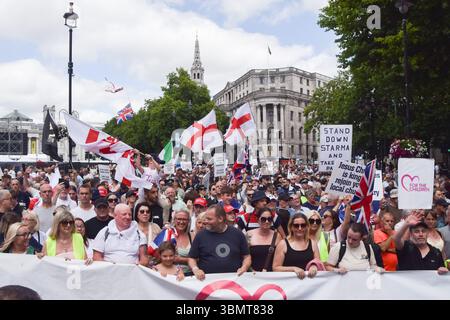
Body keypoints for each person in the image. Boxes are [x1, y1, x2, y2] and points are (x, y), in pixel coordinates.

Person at [188, 205, 251, 280]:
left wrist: (244, 268)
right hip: (207, 284)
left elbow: (247, 256)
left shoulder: (237, 233)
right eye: (206, 218)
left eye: (209, 219)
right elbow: (191, 258)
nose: (205, 221)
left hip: (233, 283)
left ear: (220, 219)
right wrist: (196, 269)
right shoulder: (200, 236)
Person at [273, 213, 320, 279]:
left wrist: (314, 266)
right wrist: (293, 269)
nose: (300, 228)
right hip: (289, 284)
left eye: (303, 225)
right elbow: (276, 268)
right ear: (291, 227)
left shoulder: (313, 243)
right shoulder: (283, 244)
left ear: (307, 227)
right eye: (296, 225)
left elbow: (318, 262)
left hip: (310, 284)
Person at [247, 207, 281, 272]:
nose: (267, 221)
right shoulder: (249, 235)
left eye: (269, 219)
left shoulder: (277, 236)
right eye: (263, 219)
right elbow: (244, 256)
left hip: (272, 276)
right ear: (258, 220)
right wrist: (251, 271)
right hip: (253, 276)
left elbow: (280, 259)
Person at [172, 210, 192, 275]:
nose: (181, 222)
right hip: (171, 275)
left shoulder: (192, 236)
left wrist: (181, 259)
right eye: (179, 219)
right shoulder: (168, 234)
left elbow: (198, 258)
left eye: (184, 219)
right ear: (174, 220)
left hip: (189, 275)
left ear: (188, 221)